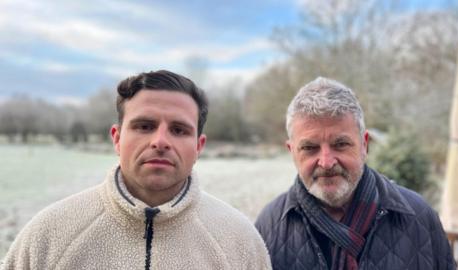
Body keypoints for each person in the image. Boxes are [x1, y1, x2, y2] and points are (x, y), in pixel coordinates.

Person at [1, 70, 271, 270]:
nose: (160, 141)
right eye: (144, 126)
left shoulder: (240, 241)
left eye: (178, 130)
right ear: (117, 138)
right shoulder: (48, 235)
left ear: (198, 146)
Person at [255, 77, 456, 270]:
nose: (326, 162)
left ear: (364, 145)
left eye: (340, 144)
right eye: (310, 147)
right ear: (292, 152)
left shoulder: (419, 217)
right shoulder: (268, 226)